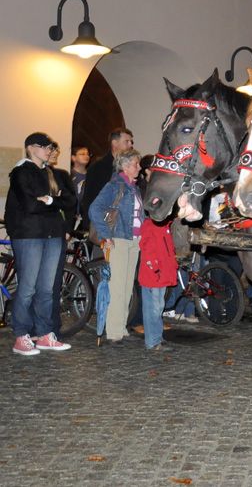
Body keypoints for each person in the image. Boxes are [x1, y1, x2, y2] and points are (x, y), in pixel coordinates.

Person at [4, 132, 72, 355]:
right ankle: (21, 335)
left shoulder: (50, 173)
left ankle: (44, 334)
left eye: (51, 148)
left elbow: (69, 201)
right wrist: (55, 202)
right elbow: (30, 205)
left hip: (52, 234)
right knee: (27, 288)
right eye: (46, 147)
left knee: (46, 289)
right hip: (29, 235)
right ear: (31, 148)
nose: (50, 151)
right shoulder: (21, 172)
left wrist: (50, 200)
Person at [88, 149, 144, 344]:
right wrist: (106, 234)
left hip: (133, 241)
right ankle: (113, 331)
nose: (139, 167)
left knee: (127, 287)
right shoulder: (114, 185)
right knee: (117, 286)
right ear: (126, 166)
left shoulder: (134, 187)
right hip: (118, 239)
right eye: (136, 164)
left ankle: (121, 327)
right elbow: (94, 209)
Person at [46, 142, 77, 339]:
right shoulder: (29, 173)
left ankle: (52, 328)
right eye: (50, 149)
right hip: (37, 233)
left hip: (57, 232)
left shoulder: (62, 175)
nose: (53, 153)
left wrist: (68, 229)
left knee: (54, 282)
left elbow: (71, 203)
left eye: (55, 150)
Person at [80, 128, 133, 230]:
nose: (130, 145)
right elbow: (89, 198)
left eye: (131, 142)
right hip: (104, 224)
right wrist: (90, 224)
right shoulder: (98, 168)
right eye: (127, 141)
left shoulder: (130, 168)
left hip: (125, 224)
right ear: (115, 143)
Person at [137, 217, 178, 351]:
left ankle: (157, 337)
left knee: (158, 307)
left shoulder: (164, 227)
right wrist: (155, 269)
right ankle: (153, 341)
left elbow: (167, 251)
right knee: (153, 309)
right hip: (154, 275)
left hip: (160, 274)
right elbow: (147, 249)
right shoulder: (151, 226)